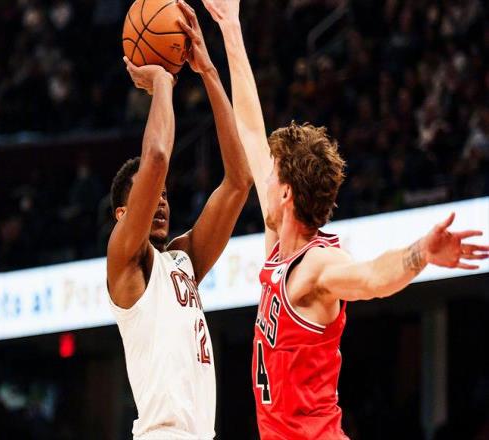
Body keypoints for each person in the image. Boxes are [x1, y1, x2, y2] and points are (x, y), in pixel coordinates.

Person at [200, 0, 489, 438]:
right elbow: (253, 133)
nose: (264, 176)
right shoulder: (278, 242)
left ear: (286, 192)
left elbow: (373, 278)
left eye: (272, 173)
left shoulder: (317, 265)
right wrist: (230, 27)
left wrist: (422, 253)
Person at [106, 2, 252, 439]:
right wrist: (162, 82)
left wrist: (208, 71)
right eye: (151, 195)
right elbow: (156, 156)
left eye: (166, 196)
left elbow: (239, 182)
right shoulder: (124, 259)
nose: (162, 202)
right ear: (122, 215)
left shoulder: (183, 261)